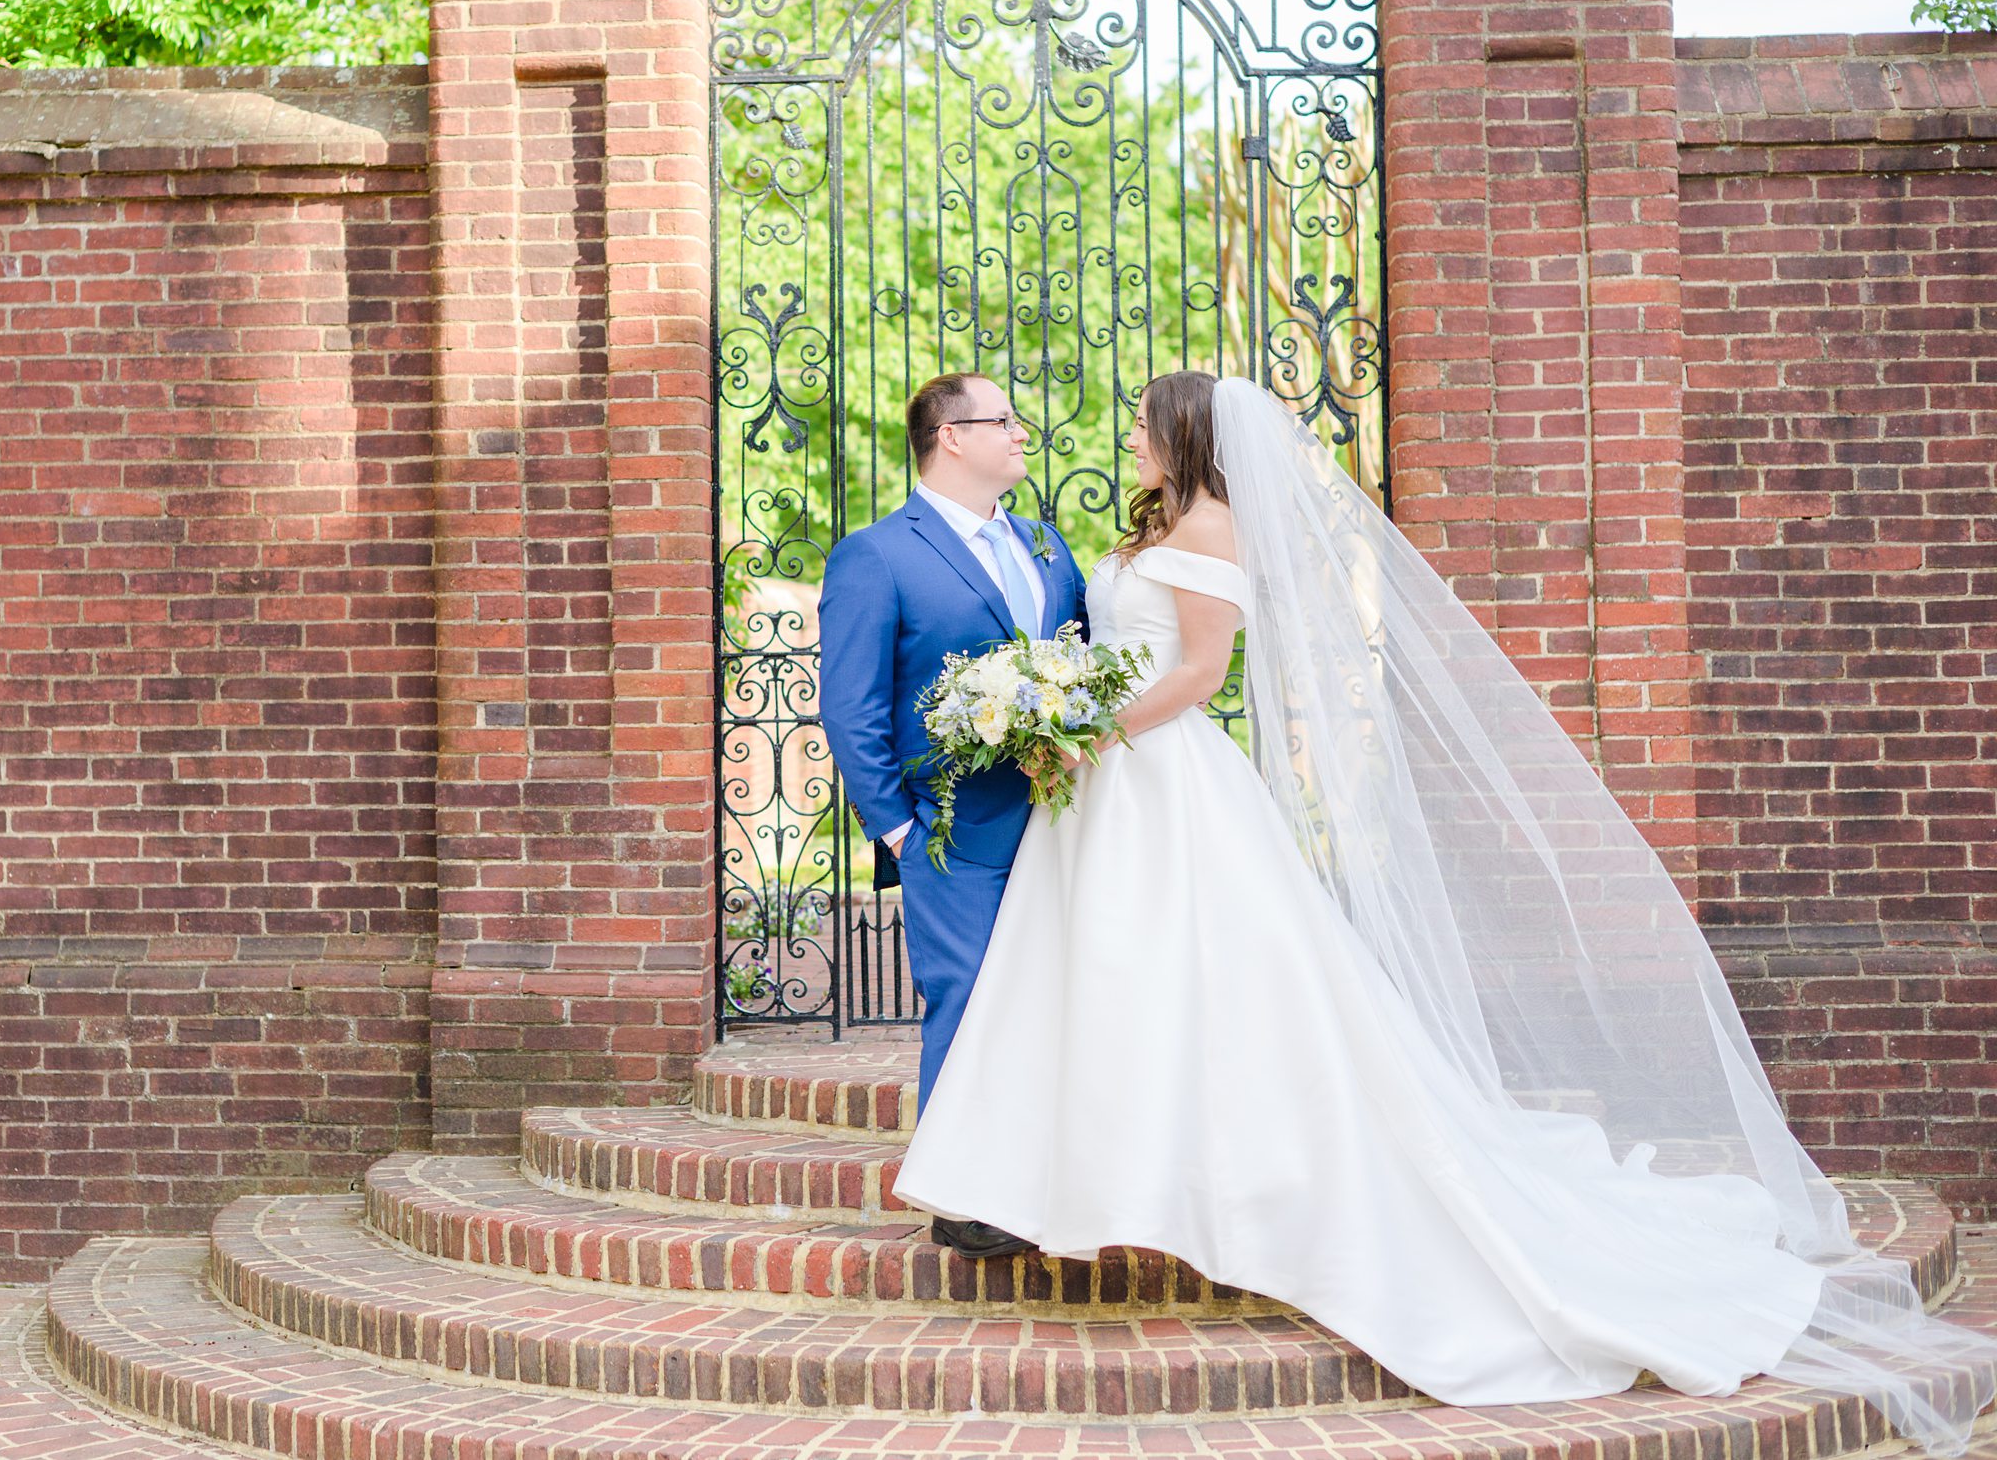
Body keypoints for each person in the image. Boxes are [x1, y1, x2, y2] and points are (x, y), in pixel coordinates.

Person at [890, 370, 1997, 1453]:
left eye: (1144, 423)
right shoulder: (1161, 524)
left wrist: (1093, 729)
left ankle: (1227, 1185)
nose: (1130, 435)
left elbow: (1200, 675)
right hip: (1107, 787)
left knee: (1206, 977)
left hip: (1160, 775)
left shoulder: (1216, 528)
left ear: (1185, 436)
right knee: (1106, 977)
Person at [817, 369, 1088, 1261]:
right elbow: (851, 706)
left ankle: (1053, 1175)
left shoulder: (1048, 547)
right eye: (1001, 419)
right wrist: (897, 827)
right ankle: (967, 1201)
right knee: (966, 999)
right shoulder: (877, 554)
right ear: (950, 437)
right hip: (949, 831)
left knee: (1050, 1000)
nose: (1021, 432)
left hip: (1059, 821)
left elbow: (1078, 661)